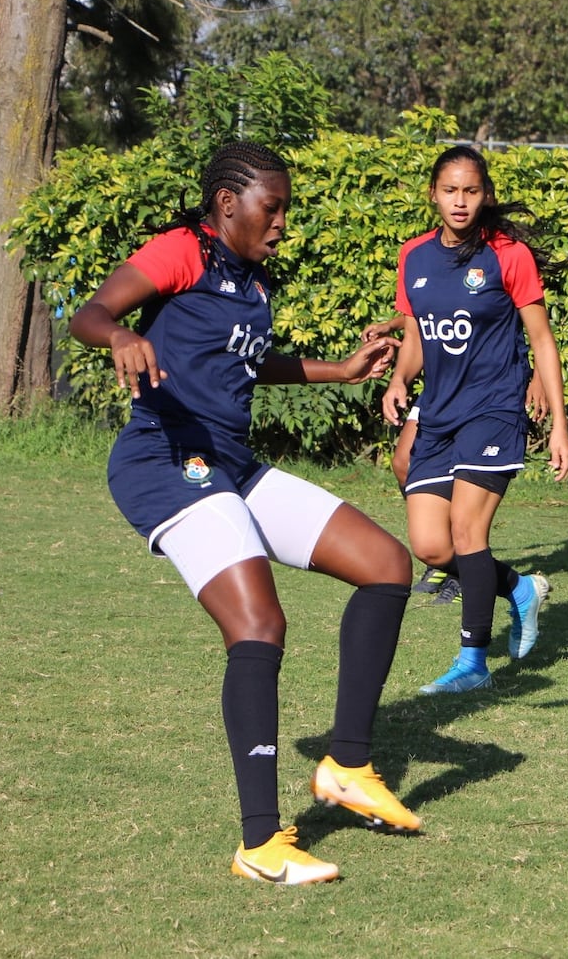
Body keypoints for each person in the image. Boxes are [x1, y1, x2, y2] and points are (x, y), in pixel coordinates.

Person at [69, 141, 422, 886]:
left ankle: (347, 766)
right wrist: (122, 333)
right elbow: (89, 313)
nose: (283, 221)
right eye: (274, 206)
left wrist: (339, 369)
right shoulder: (183, 250)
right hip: (167, 461)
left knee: (387, 564)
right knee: (259, 624)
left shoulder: (254, 281)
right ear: (228, 204)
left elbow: (247, 363)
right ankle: (261, 843)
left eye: (286, 208)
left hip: (232, 464)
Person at [380, 145, 568, 694]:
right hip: (439, 412)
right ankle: (518, 588)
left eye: (470, 191)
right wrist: (399, 378)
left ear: (485, 195)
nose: (460, 201)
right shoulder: (414, 256)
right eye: (450, 190)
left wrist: (559, 426)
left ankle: (473, 664)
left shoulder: (509, 254)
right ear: (433, 195)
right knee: (431, 547)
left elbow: (542, 340)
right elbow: (416, 336)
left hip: (494, 408)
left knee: (468, 531)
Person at [360, 316, 550, 606]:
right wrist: (393, 326)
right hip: (442, 384)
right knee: (403, 463)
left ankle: (461, 568)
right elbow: (426, 311)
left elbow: (533, 324)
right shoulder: (418, 284)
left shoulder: (505, 283)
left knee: (466, 500)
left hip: (486, 389)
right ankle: (446, 556)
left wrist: (538, 379)